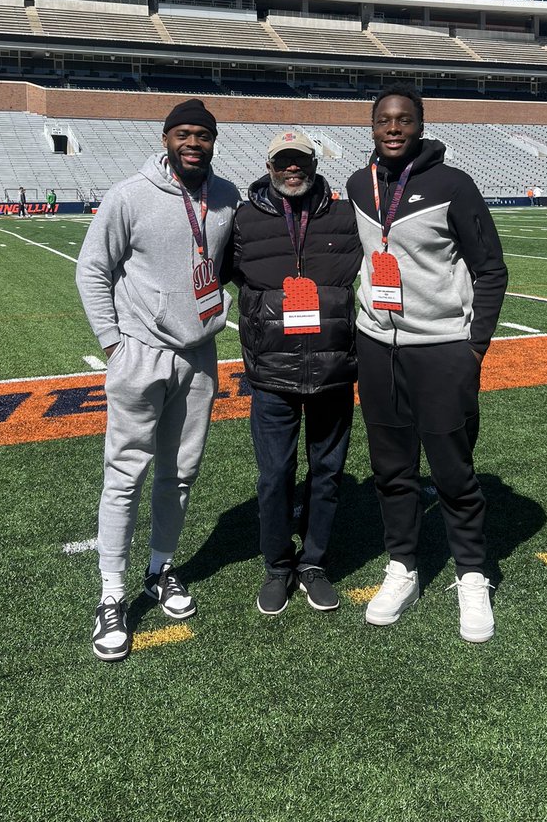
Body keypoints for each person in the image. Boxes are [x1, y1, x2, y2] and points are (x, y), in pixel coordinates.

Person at [76, 99, 240, 661]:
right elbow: (93, 267)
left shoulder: (226, 197)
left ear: (213, 142)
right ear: (166, 138)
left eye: (203, 135)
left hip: (199, 356)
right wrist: (112, 343)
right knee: (125, 475)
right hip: (140, 355)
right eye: (184, 134)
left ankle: (160, 568)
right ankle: (111, 595)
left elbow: (222, 264)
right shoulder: (130, 195)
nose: (193, 143)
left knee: (182, 473)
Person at [345, 84, 508, 643]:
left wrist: (474, 346)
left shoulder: (453, 185)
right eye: (384, 120)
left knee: (454, 472)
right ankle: (403, 566)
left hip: (441, 349)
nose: (393, 128)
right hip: (377, 346)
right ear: (372, 126)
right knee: (391, 470)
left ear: (420, 125)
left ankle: (471, 574)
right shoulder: (356, 186)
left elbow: (491, 269)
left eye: (404, 120)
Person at [230, 131, 362, 615]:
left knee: (327, 473)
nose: (292, 169)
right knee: (275, 476)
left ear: (313, 162)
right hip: (272, 373)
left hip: (332, 370)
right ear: (269, 167)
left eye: (300, 160)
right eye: (283, 161)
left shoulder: (343, 214)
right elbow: (221, 272)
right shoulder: (244, 220)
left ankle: (314, 563)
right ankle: (278, 565)